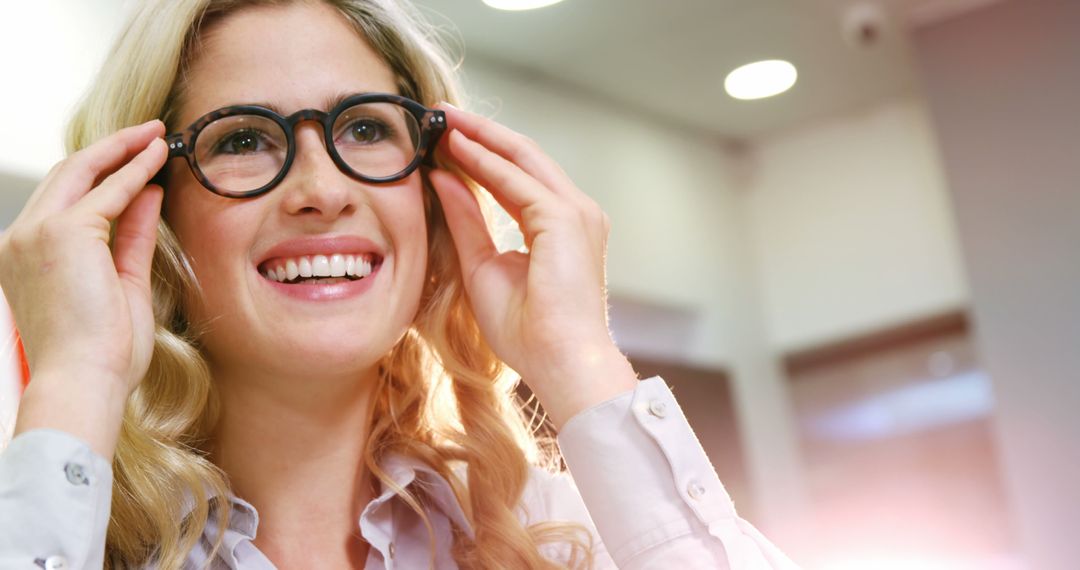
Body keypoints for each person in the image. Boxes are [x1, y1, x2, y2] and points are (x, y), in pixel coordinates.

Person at [0, 0, 799, 568]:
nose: (322, 187)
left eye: (364, 129)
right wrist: (74, 384)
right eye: (243, 137)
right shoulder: (58, 526)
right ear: (151, 211)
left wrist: (578, 358)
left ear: (431, 193)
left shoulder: (560, 537)